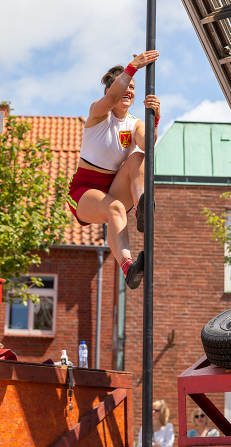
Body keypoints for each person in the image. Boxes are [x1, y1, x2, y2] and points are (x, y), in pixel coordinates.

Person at [66, 52, 160, 290]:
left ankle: (142, 206)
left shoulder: (134, 123)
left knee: (139, 156)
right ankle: (128, 265)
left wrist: (155, 120)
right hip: (84, 192)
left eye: (133, 87)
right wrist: (132, 67)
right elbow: (111, 99)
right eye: (125, 86)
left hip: (114, 188)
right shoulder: (99, 113)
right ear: (111, 91)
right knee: (115, 208)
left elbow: (147, 144)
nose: (129, 91)